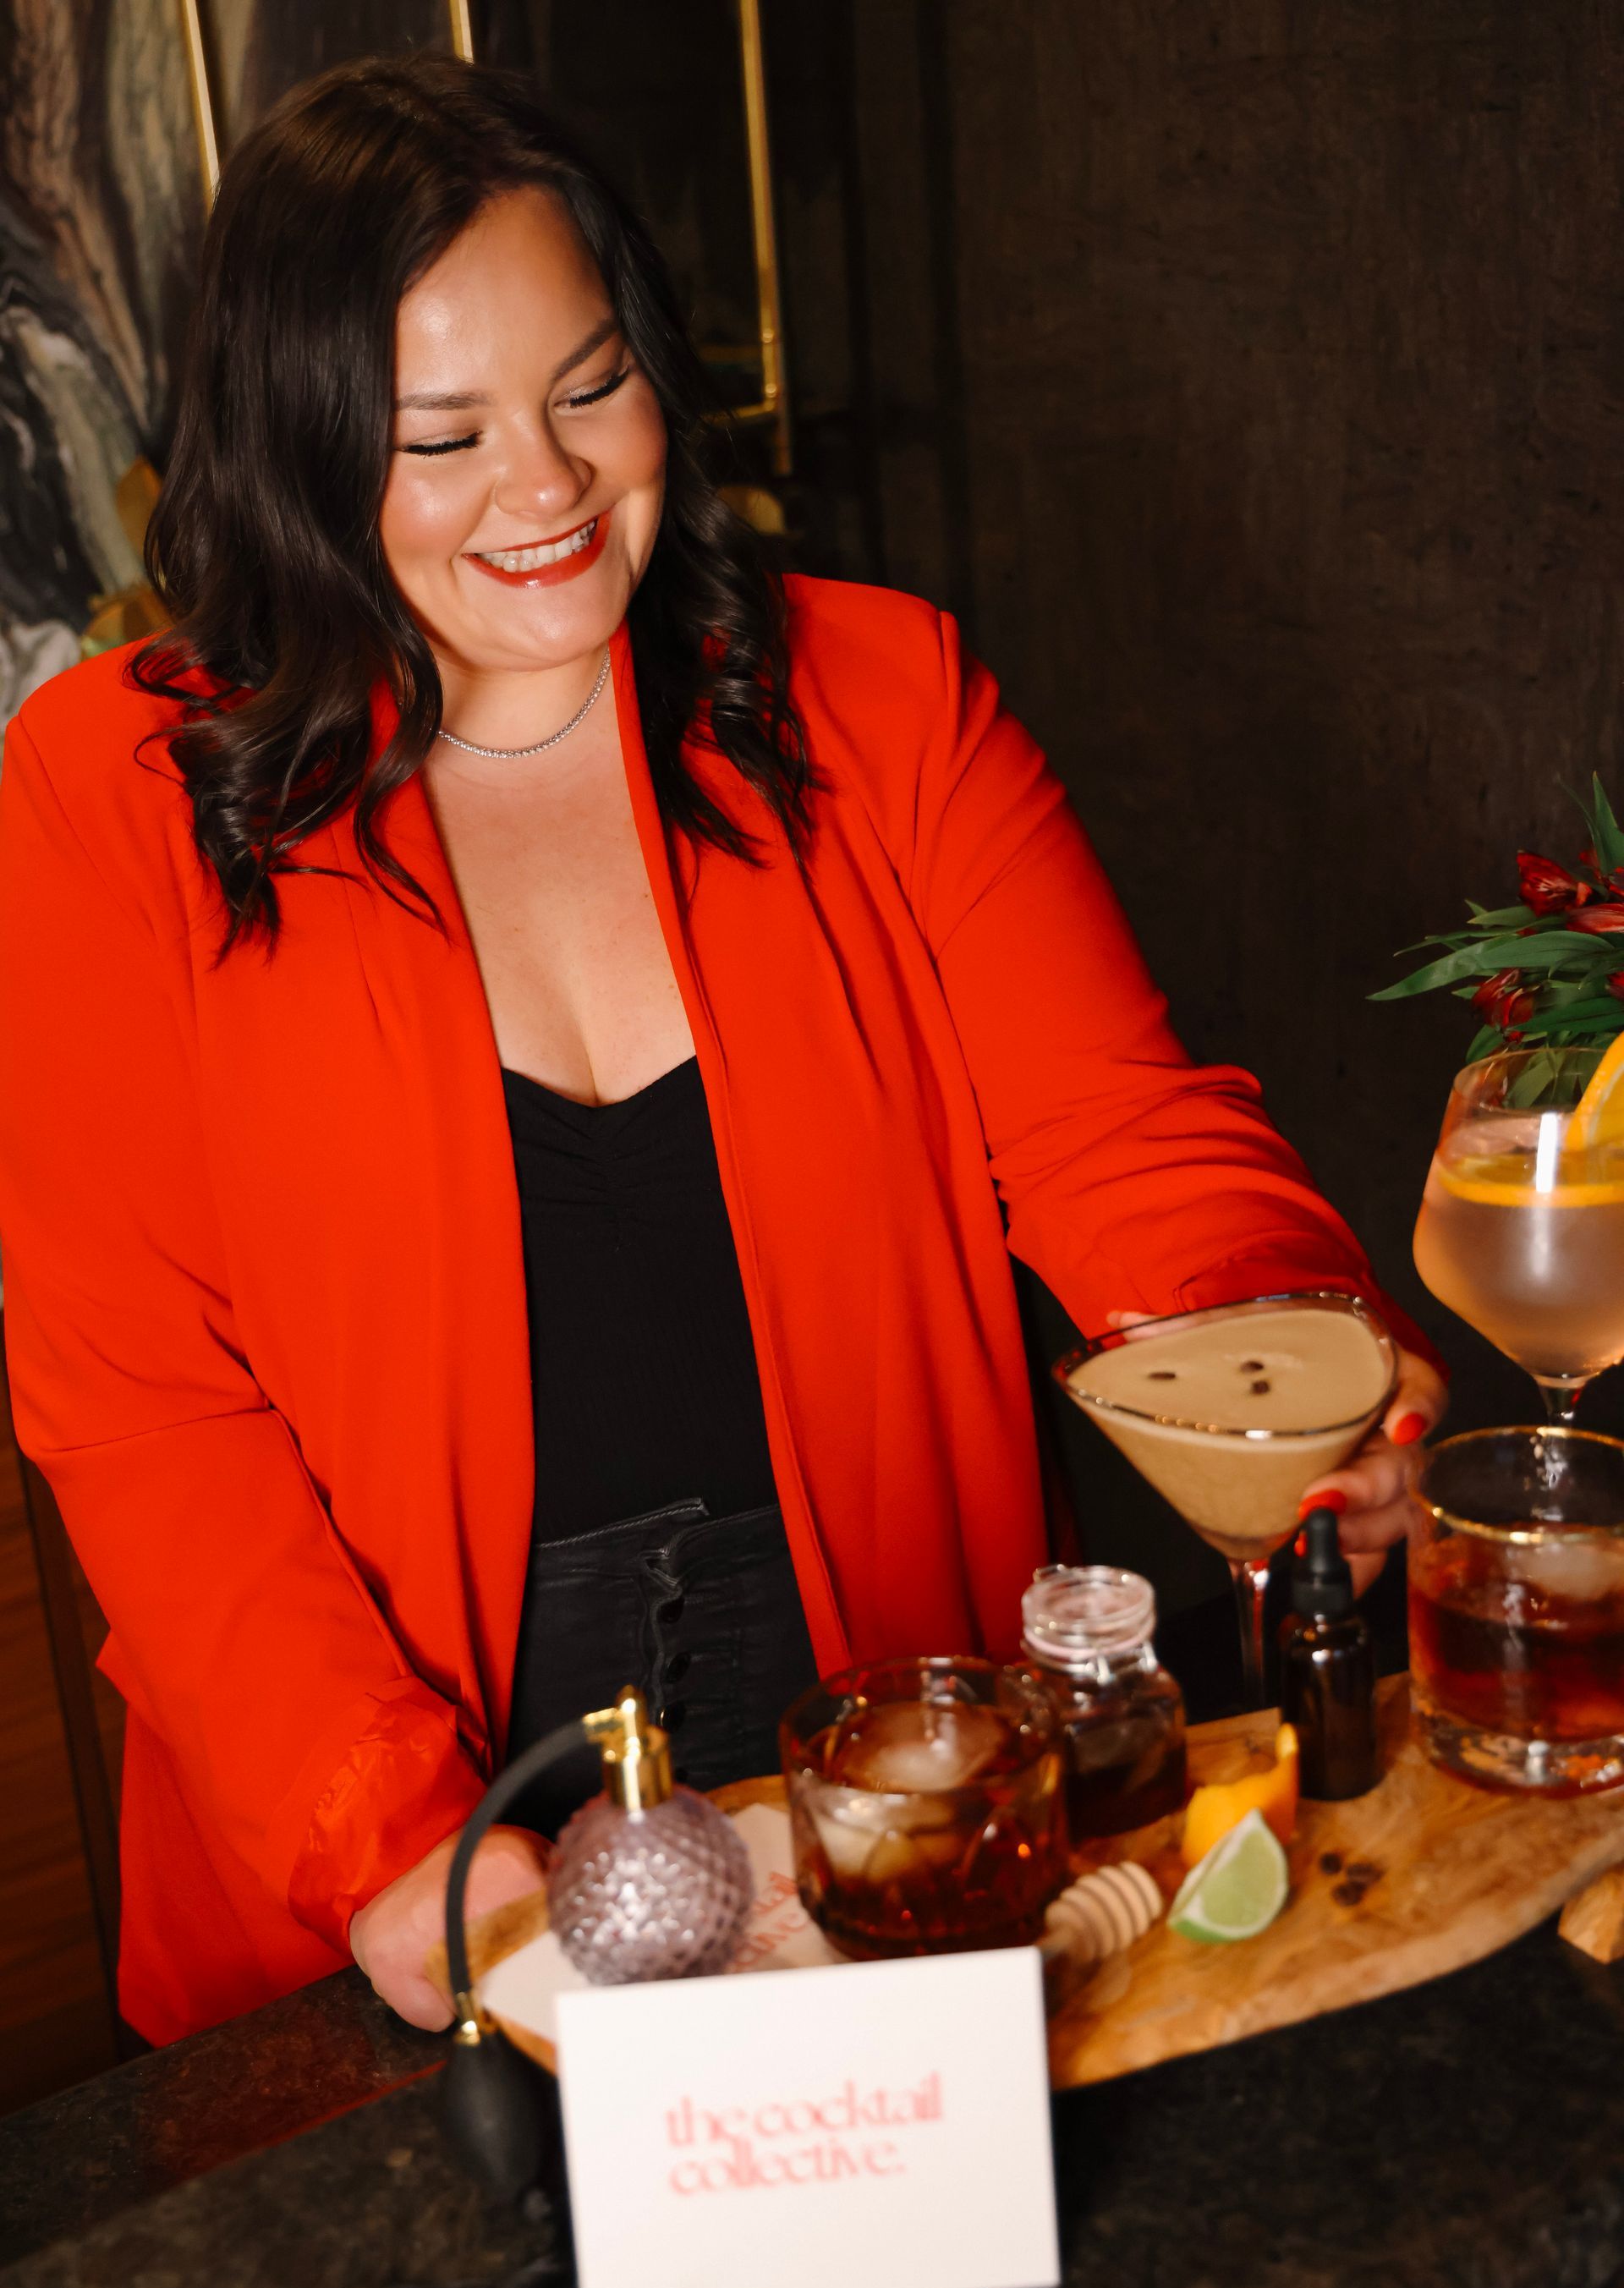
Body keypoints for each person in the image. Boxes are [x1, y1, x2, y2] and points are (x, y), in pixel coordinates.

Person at [0, 56, 1442, 2048]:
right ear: (296, 449)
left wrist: (1282, 1382)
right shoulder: (105, 802)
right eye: (444, 434)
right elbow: (150, 1416)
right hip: (391, 1827)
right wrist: (396, 1849)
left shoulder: (879, 693)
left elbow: (1125, 1135)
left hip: (895, 1769)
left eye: (591, 386)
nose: (551, 487)